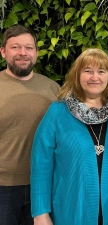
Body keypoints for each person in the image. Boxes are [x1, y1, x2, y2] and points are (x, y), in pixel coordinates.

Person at [30, 48, 108, 225]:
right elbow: (41, 163)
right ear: (77, 75)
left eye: (101, 71)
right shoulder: (57, 111)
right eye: (88, 71)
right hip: (71, 208)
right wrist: (40, 212)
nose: (95, 77)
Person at [0, 25, 60, 225]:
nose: (23, 53)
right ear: (3, 51)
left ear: (36, 52)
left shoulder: (53, 89)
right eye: (15, 47)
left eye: (28, 47)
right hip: (3, 188)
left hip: (44, 186)